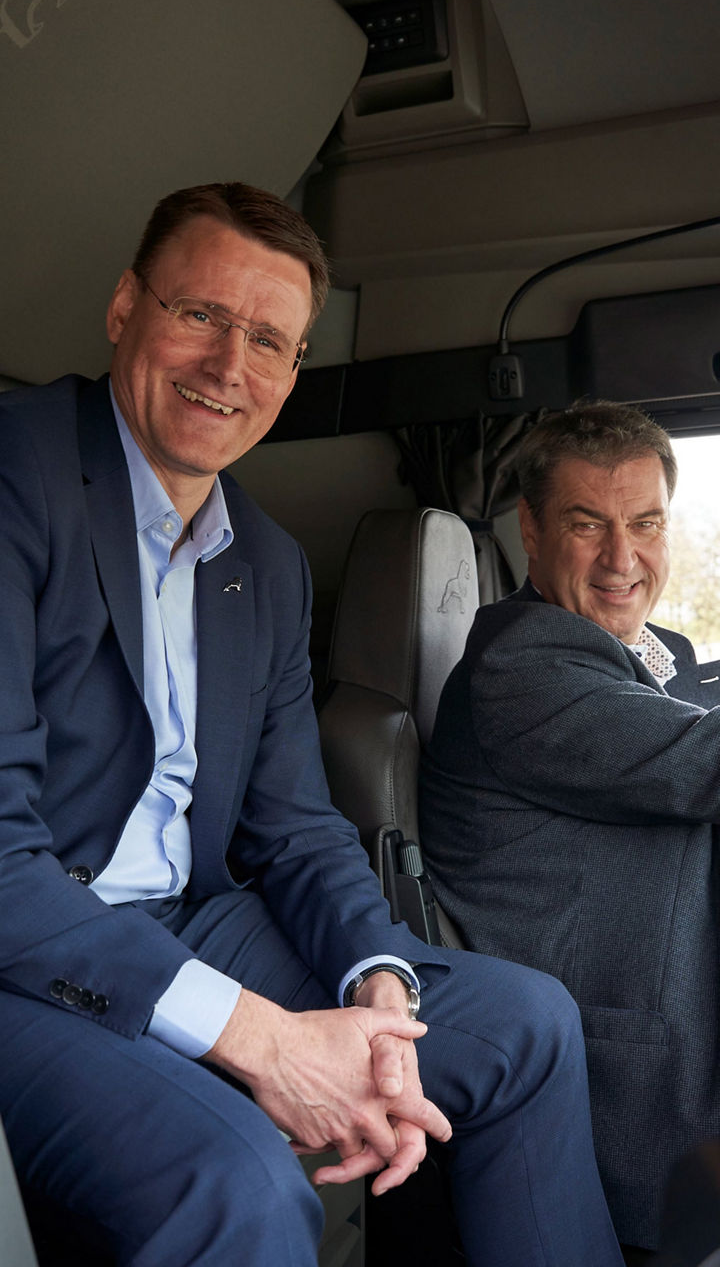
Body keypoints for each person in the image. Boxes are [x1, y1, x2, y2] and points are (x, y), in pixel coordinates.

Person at [0, 183, 622, 1267]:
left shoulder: (267, 564)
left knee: (526, 1023)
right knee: (235, 1179)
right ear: (122, 310)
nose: (227, 365)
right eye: (199, 313)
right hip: (27, 949)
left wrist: (375, 983)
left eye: (268, 340)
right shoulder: (17, 474)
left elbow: (295, 826)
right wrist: (266, 1041)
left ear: (291, 376)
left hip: (190, 919)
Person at [420, 399, 720, 1254]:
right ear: (532, 528)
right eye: (588, 525)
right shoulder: (524, 664)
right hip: (631, 1070)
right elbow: (701, 761)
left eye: (646, 524)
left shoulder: (636, 651)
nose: (623, 558)